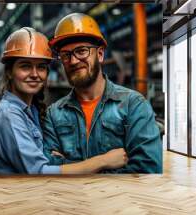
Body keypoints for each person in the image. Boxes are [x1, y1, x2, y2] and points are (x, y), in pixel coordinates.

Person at [0, 27, 128, 174]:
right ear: (10, 72)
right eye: (25, 66)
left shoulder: (31, 111)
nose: (35, 74)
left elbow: (49, 161)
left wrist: (60, 162)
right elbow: (38, 172)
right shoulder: (8, 115)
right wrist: (104, 161)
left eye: (41, 67)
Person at [44, 13, 162, 173]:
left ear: (100, 54)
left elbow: (147, 171)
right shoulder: (54, 114)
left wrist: (70, 166)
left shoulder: (133, 105)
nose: (73, 61)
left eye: (81, 51)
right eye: (66, 55)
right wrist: (103, 162)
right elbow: (49, 170)